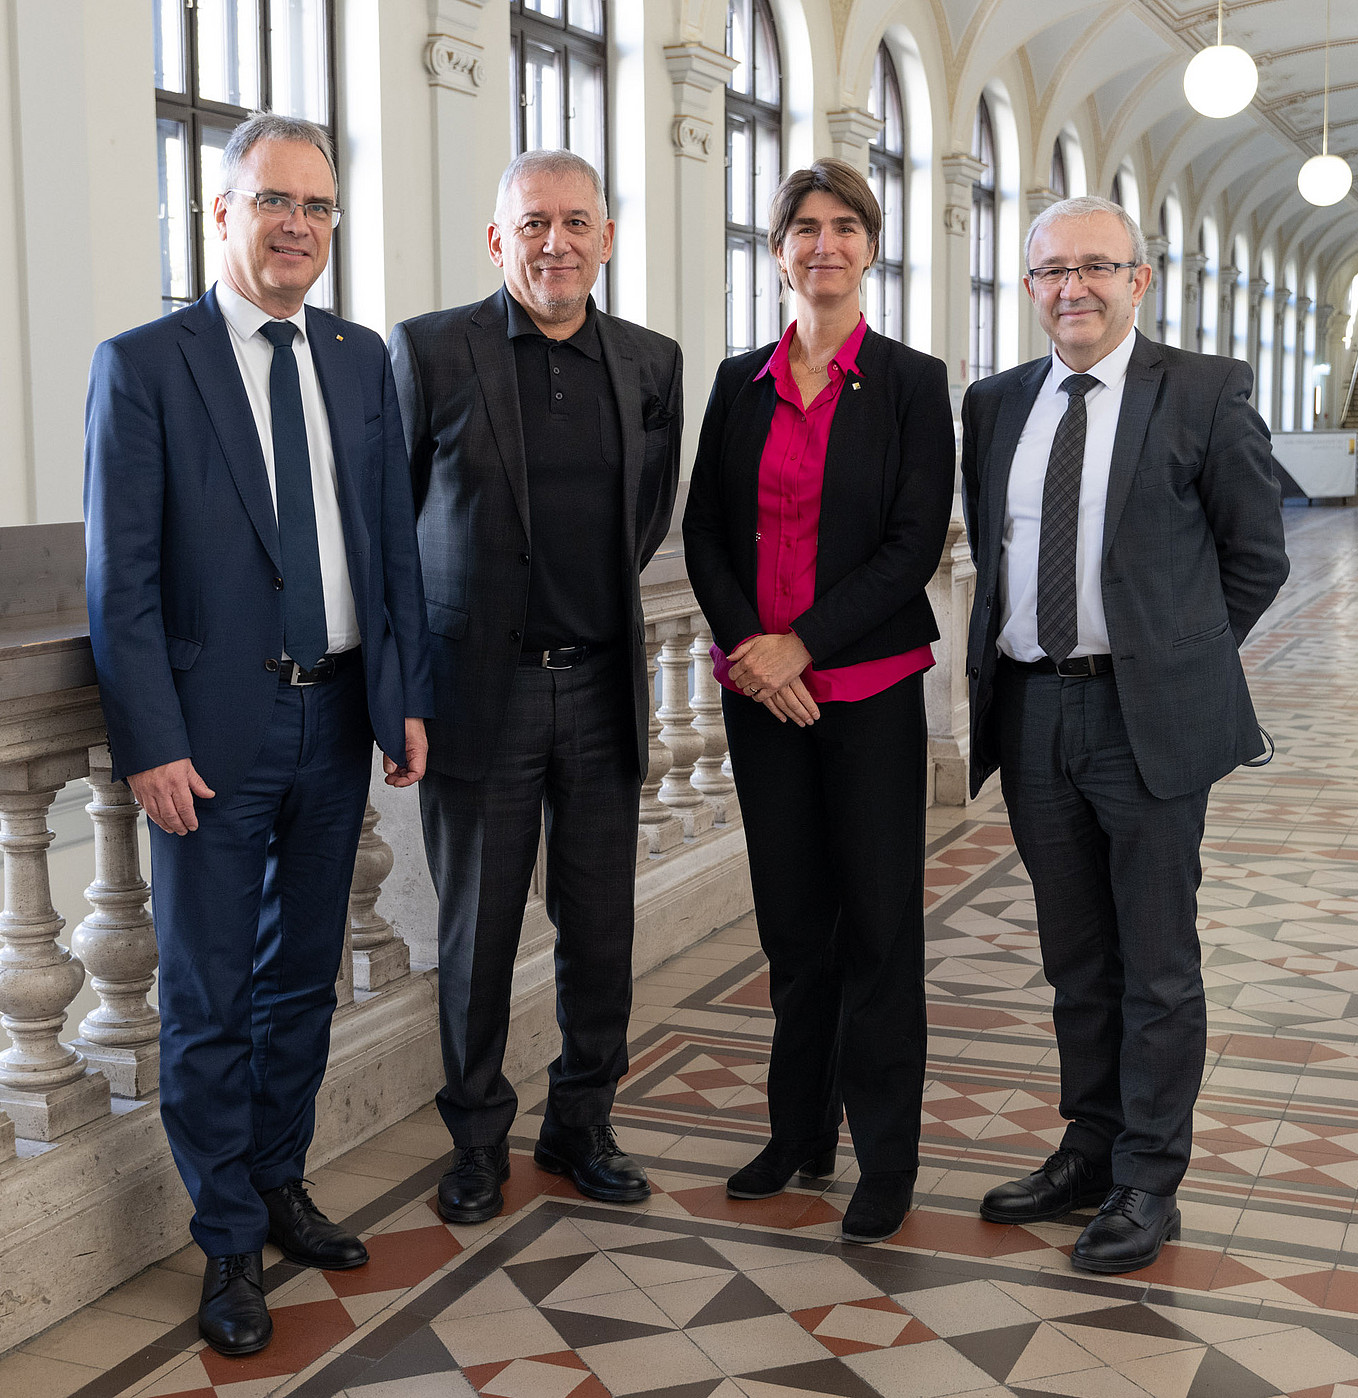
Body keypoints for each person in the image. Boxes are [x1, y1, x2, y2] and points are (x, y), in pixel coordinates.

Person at [83, 112, 432, 1355]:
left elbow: (388, 552)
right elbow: (117, 581)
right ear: (216, 213)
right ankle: (226, 1238)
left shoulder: (354, 359)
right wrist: (150, 741)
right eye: (274, 202)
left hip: (335, 714)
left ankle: (281, 1182)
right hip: (209, 736)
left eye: (319, 208)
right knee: (208, 993)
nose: (298, 226)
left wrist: (400, 697)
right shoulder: (145, 364)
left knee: (301, 981)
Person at [962, 195, 1288, 1274]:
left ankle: (1150, 1179)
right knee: (1075, 956)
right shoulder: (996, 402)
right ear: (1028, 287)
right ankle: (1088, 1149)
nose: (1074, 288)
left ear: (1138, 280)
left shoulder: (1200, 390)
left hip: (1141, 715)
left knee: (1156, 962)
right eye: (1052, 270)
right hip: (1030, 703)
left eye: (1097, 267)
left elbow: (1256, 556)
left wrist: (1173, 661)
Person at [387, 150, 682, 1225]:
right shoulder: (427, 351)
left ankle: (580, 1123)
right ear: (495, 238)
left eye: (575, 222)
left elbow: (644, 517)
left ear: (606, 236)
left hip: (602, 683)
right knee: (477, 932)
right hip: (480, 690)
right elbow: (394, 530)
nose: (554, 242)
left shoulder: (651, 363)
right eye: (533, 224)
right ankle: (474, 1139)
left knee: (601, 926)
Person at [682, 158, 953, 1245]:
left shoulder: (909, 381)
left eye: (844, 226)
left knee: (879, 928)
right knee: (793, 928)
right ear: (778, 248)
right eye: (804, 226)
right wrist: (754, 651)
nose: (824, 244)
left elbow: (911, 545)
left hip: (869, 691)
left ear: (869, 248)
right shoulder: (737, 381)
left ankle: (885, 1155)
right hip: (761, 694)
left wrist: (801, 646)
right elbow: (703, 530)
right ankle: (797, 1132)